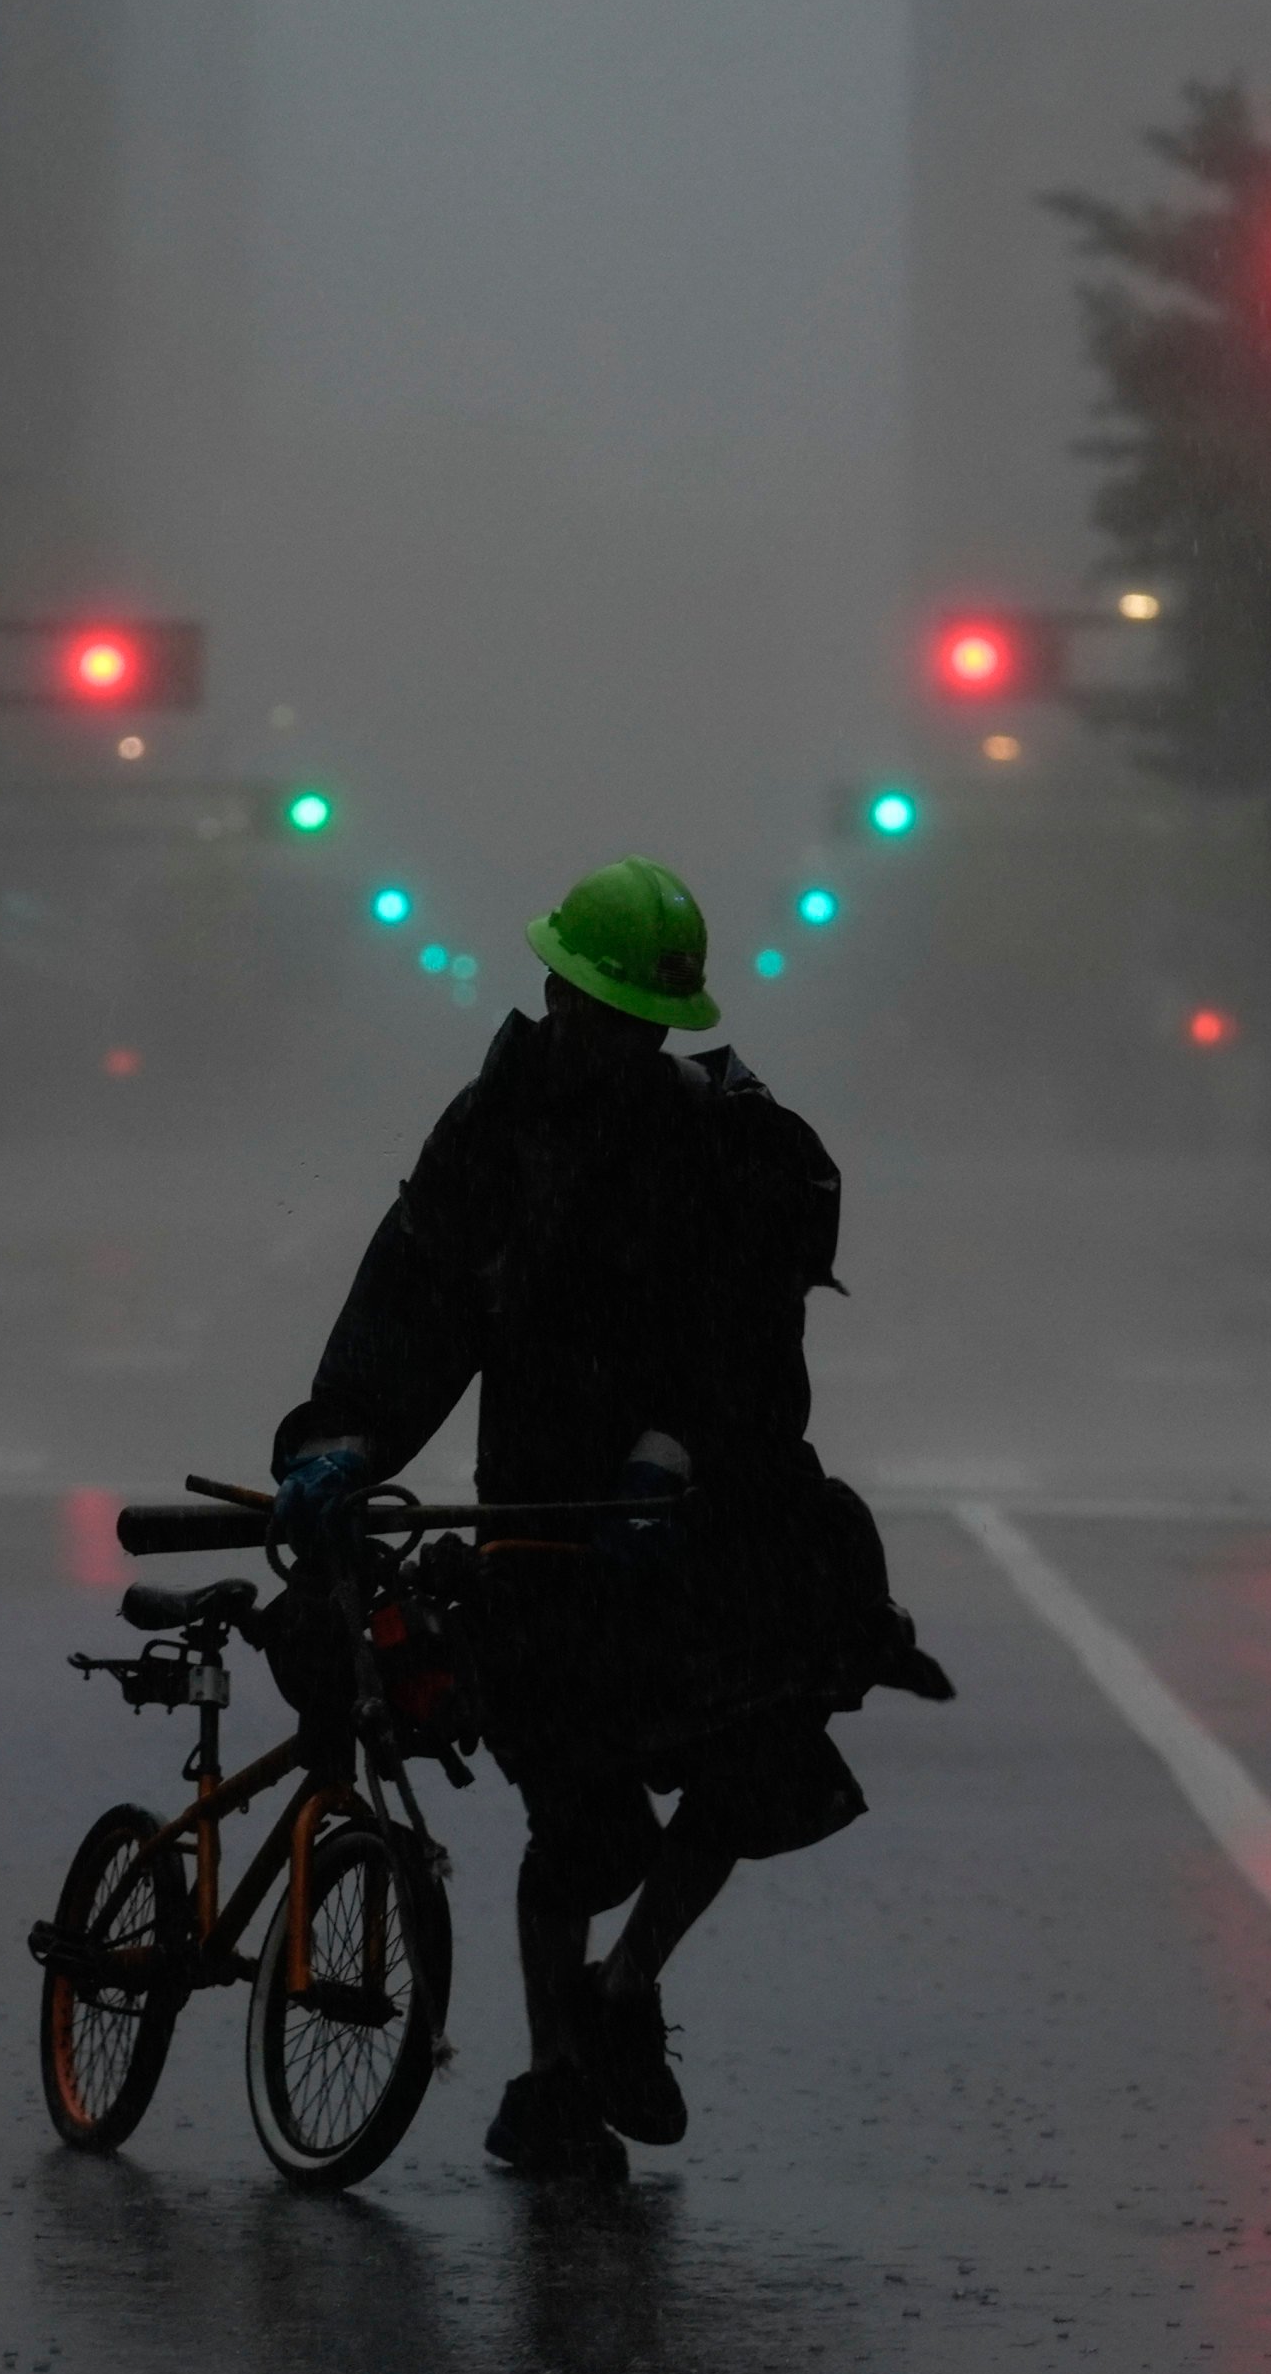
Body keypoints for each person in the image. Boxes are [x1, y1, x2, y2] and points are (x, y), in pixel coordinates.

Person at [268, 855, 946, 2181]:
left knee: (759, 1753)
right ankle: (551, 2078)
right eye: (595, 1009)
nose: (609, 1037)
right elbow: (418, 1295)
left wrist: (681, 1448)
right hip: (537, 1527)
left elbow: (753, 1343)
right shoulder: (495, 1131)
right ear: (552, 993)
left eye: (637, 1020)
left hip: (692, 1524)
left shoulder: (728, 1153)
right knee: (581, 1824)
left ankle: (627, 1985)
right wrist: (342, 1438)